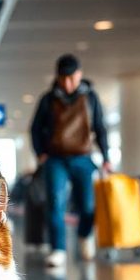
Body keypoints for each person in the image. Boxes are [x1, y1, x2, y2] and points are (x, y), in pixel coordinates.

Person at [31, 54, 112, 268]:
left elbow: (100, 127)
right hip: (55, 159)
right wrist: (41, 153)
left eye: (72, 78)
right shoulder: (47, 99)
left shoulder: (91, 97)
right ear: (57, 77)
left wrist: (106, 157)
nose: (68, 84)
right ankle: (58, 249)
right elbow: (35, 129)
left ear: (79, 75)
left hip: (83, 158)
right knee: (56, 203)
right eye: (63, 79)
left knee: (87, 205)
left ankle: (85, 237)